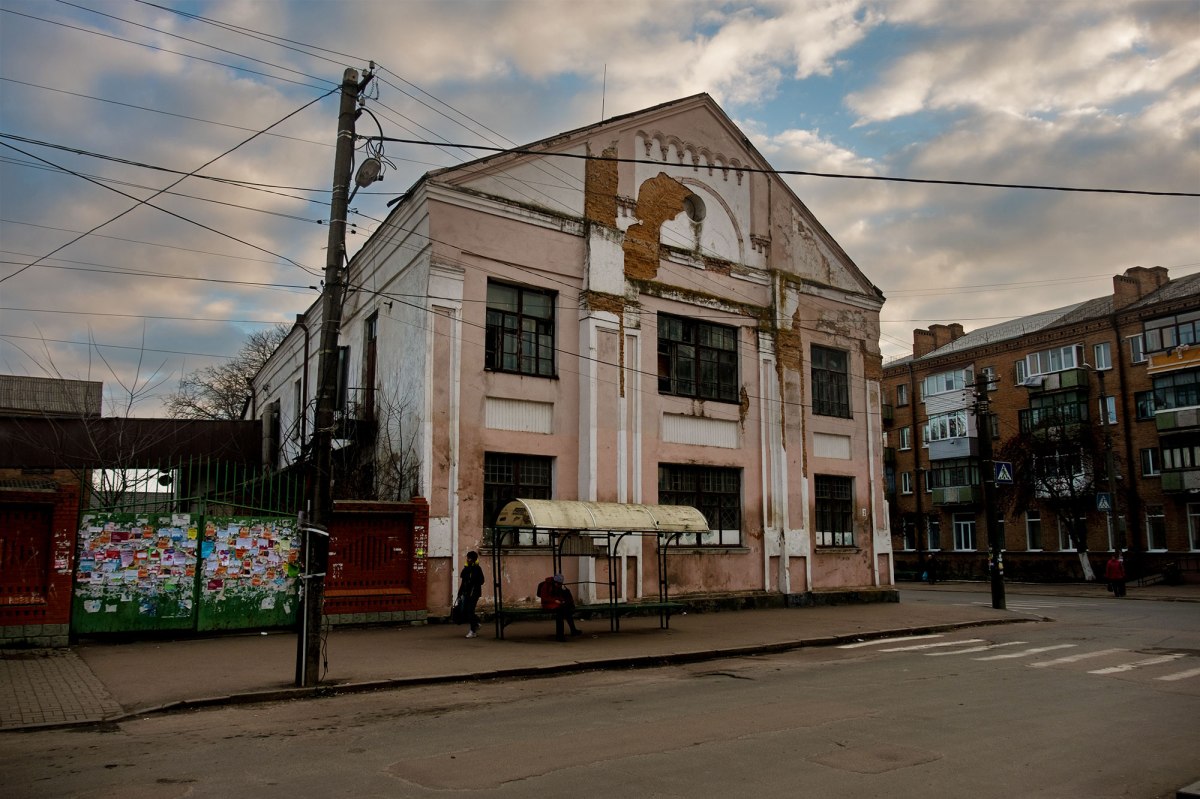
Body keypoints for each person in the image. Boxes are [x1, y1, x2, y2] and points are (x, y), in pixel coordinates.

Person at [537, 574, 581, 641]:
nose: (559, 586)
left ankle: (573, 630)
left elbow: (560, 595)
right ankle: (560, 636)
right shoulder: (545, 585)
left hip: (556, 603)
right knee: (560, 613)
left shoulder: (559, 586)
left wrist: (562, 600)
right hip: (547, 604)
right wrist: (554, 600)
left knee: (567, 610)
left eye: (560, 584)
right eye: (558, 584)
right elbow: (544, 598)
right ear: (555, 582)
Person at [457, 550, 484, 638]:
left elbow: (482, 581)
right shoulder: (466, 568)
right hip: (466, 593)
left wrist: (473, 583)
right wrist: (459, 593)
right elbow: (463, 581)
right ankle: (476, 623)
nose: (467, 559)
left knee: (470, 610)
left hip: (474, 593)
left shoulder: (477, 568)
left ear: (473, 559)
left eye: (469, 558)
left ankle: (473, 631)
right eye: (467, 558)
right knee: (466, 611)